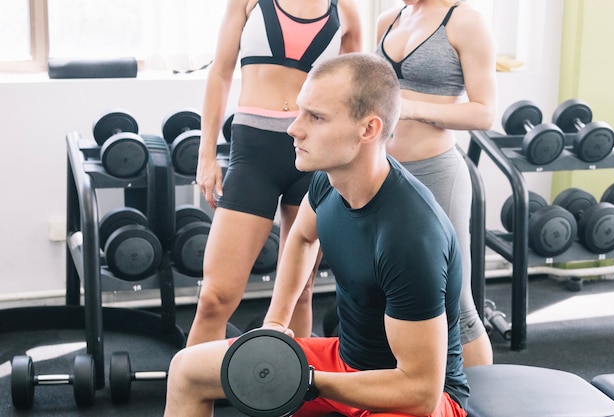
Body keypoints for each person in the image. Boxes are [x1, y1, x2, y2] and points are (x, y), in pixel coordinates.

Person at [164, 52, 469, 417]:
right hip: (344, 362)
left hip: (410, 396)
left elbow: (419, 390)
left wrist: (307, 380)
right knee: (187, 370)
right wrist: (276, 323)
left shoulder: (410, 236)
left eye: (316, 117)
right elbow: (302, 239)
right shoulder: (329, 180)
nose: (294, 128)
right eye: (301, 110)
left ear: (368, 129)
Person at [187, 0, 362, 346]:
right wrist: (206, 155)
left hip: (313, 156)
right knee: (214, 299)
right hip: (253, 155)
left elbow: (355, 96)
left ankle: (290, 398)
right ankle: (191, 393)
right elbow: (220, 74)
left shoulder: (345, 10)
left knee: (300, 294)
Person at [375, 0, 497, 367]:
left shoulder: (465, 22)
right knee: (390, 292)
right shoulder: (388, 19)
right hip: (385, 173)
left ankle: (483, 404)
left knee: (456, 304)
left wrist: (409, 107)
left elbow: (484, 112)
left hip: (437, 173)